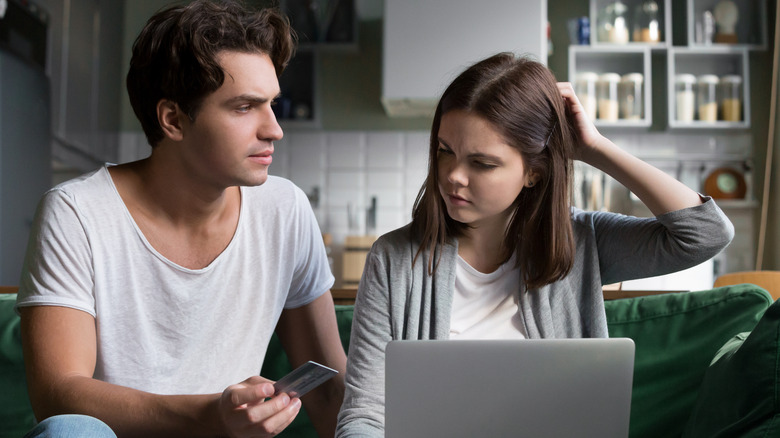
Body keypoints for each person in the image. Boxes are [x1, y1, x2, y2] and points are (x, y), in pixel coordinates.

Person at [335, 53, 734, 436]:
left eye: (482, 163)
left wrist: (593, 148)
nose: (454, 175)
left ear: (534, 172)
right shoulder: (393, 260)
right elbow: (364, 414)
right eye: (445, 151)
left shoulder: (581, 242)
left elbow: (704, 234)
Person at [15, 1, 346, 437]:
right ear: (173, 119)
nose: (274, 129)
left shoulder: (284, 209)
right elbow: (59, 394)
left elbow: (328, 390)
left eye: (271, 104)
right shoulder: (78, 212)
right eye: (245, 107)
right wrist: (212, 414)